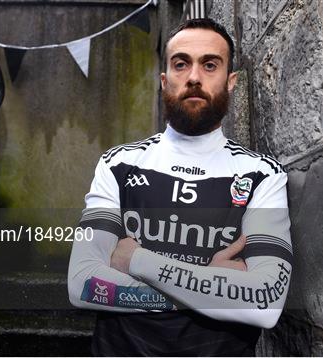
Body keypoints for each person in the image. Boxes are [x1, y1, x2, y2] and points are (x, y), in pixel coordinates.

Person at [68, 18, 292, 356]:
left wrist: (139, 261)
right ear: (164, 80)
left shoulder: (263, 175)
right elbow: (82, 284)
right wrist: (210, 287)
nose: (193, 77)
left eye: (210, 65)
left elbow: (265, 301)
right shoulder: (117, 165)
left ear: (231, 82)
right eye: (180, 63)